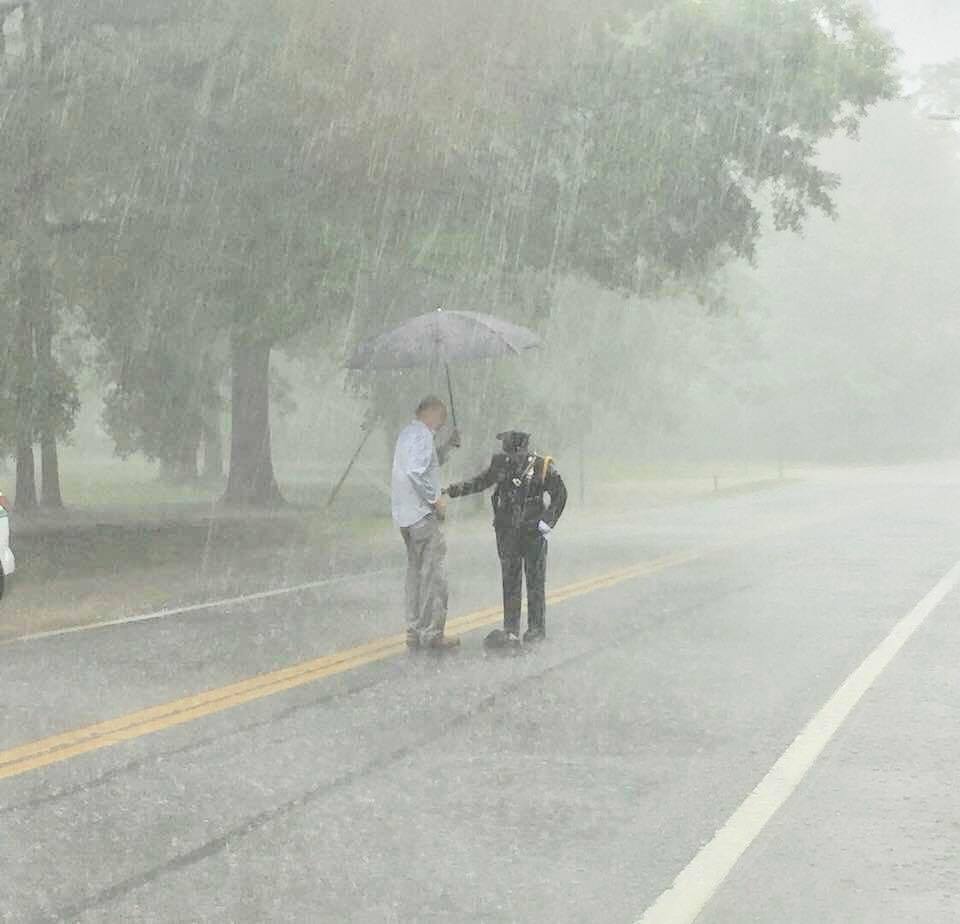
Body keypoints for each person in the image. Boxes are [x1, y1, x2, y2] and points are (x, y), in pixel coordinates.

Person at [445, 431, 567, 646]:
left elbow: (560, 494)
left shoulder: (541, 466)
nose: (510, 455)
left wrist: (547, 521)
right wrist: (455, 490)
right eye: (508, 450)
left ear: (522, 448)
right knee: (510, 582)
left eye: (512, 449)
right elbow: (482, 481)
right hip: (507, 531)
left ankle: (536, 629)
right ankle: (510, 629)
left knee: (535, 581)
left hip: (532, 532)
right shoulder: (500, 463)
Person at [391, 396, 461, 653]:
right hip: (422, 515)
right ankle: (432, 633)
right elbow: (416, 472)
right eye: (441, 418)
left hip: (405, 517)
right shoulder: (422, 435)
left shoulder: (408, 434)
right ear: (430, 412)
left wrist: (446, 447)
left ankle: (414, 630)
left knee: (416, 574)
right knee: (433, 576)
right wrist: (435, 500)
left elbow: (425, 464)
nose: (441, 425)